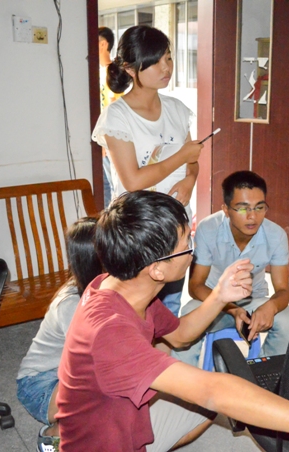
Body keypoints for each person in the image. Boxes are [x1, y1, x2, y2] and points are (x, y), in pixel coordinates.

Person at [55, 190, 289, 452]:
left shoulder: (119, 284)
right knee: (217, 398)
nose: (192, 251)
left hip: (125, 417)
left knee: (218, 412)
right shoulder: (110, 330)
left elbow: (180, 336)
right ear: (156, 269)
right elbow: (212, 391)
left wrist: (220, 295)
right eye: (186, 245)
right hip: (101, 444)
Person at [92, 25, 202, 315]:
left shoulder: (177, 109)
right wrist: (182, 156)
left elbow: (192, 161)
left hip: (174, 224)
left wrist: (190, 181)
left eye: (168, 58)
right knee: (134, 308)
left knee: (170, 308)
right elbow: (132, 180)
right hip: (138, 227)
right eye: (155, 61)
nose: (166, 68)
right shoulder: (117, 116)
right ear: (130, 69)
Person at [173, 171, 289, 366]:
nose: (252, 216)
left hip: (253, 301)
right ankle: (183, 380)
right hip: (213, 299)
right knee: (187, 319)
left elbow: (283, 291)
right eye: (242, 208)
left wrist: (270, 307)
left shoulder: (276, 234)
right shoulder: (208, 229)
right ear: (226, 209)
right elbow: (195, 286)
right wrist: (231, 308)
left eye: (259, 207)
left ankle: (265, 374)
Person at [15, 217, 102, 451]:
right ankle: (53, 436)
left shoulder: (97, 288)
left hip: (62, 373)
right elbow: (94, 359)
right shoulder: (72, 304)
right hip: (38, 384)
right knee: (102, 386)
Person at [98, 26, 121, 207]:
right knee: (105, 185)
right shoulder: (98, 71)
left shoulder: (112, 74)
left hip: (111, 139)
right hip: (102, 138)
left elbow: (112, 107)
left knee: (114, 186)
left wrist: (106, 140)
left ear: (103, 44)